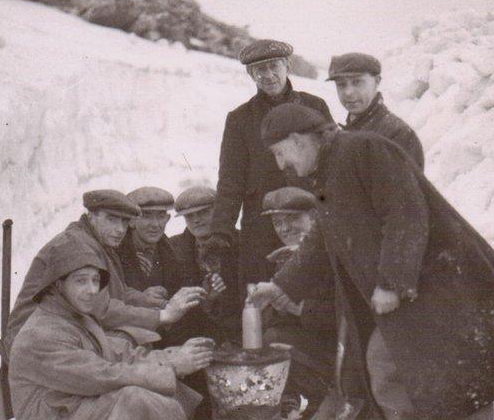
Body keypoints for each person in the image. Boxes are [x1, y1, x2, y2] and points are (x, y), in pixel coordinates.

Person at [249, 104, 494, 420]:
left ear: (300, 138)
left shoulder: (365, 150)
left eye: (280, 151)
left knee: (456, 376)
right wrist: (280, 285)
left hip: (441, 282)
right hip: (413, 290)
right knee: (384, 363)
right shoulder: (328, 173)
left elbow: (406, 212)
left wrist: (393, 282)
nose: (282, 162)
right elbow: (324, 239)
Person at [8, 234, 247, 420]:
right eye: (80, 281)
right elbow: (100, 375)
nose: (91, 289)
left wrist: (170, 357)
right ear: (57, 285)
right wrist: (170, 368)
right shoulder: (41, 333)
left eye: (95, 281)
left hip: (70, 409)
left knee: (145, 383)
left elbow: (117, 354)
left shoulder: (74, 316)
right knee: (134, 397)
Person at [203, 39, 334, 303]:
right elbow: (230, 181)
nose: (268, 75)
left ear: (287, 65)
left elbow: (332, 163)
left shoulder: (315, 106)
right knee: (259, 294)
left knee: (314, 287)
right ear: (250, 74)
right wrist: (219, 232)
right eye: (259, 70)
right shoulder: (239, 119)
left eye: (274, 66)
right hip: (260, 223)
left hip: (307, 216)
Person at [6, 189, 204, 352]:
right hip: (39, 341)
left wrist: (163, 304)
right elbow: (101, 308)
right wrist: (162, 315)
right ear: (91, 217)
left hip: (66, 330)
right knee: (136, 354)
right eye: (111, 219)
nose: (119, 229)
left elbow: (119, 291)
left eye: (124, 222)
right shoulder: (78, 247)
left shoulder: (97, 243)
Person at [257, 186, 338, 420]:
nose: (284, 229)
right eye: (277, 223)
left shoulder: (332, 254)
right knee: (270, 336)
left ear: (314, 216)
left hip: (346, 350)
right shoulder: (286, 258)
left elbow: (349, 316)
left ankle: (327, 399)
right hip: (320, 343)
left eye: (292, 219)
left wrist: (299, 308)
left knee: (275, 341)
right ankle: (315, 401)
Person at [328, 52, 424, 169]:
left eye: (357, 82)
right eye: (341, 84)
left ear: (377, 81)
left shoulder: (398, 134)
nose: (348, 92)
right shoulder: (343, 133)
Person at [170, 185, 241, 342]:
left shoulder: (242, 243)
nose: (196, 220)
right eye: (189, 216)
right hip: (193, 333)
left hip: (238, 329)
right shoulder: (173, 248)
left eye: (203, 212)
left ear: (218, 211)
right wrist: (206, 300)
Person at [117, 187, 185, 301]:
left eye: (161, 216)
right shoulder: (114, 251)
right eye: (146, 216)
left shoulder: (175, 253)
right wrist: (139, 298)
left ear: (167, 219)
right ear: (131, 221)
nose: (155, 224)